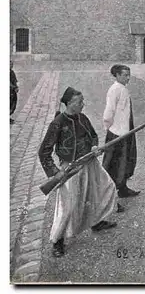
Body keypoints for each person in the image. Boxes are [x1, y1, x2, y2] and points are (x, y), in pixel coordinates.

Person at [38, 87, 118, 257]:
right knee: (68, 206)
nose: (83, 104)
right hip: (70, 169)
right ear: (69, 103)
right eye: (80, 102)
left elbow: (94, 136)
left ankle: (96, 221)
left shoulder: (83, 118)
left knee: (104, 189)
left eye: (82, 101)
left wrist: (95, 146)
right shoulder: (58, 123)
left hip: (90, 162)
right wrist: (56, 172)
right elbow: (44, 151)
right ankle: (57, 241)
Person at [102, 65, 140, 198]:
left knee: (125, 160)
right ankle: (107, 195)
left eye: (129, 75)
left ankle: (123, 188)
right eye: (125, 75)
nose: (128, 78)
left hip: (126, 130)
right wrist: (109, 128)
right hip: (117, 132)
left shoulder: (123, 89)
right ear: (117, 75)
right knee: (113, 163)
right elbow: (108, 113)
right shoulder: (114, 90)